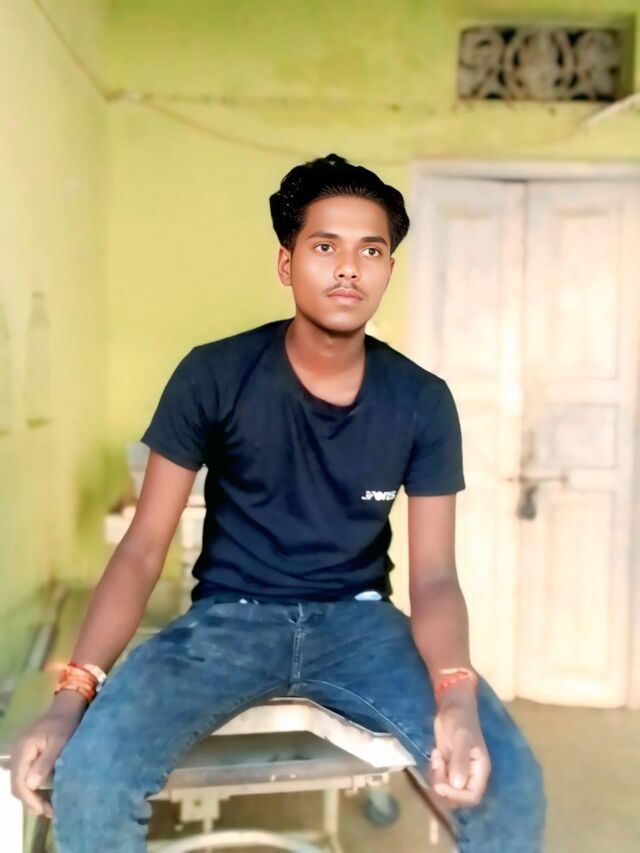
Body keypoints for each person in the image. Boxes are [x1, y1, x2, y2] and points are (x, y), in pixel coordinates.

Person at [10, 153, 545, 851]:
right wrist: (70, 695)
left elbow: (436, 575)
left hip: (362, 626)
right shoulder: (213, 374)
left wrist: (456, 693)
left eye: (370, 250)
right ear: (287, 264)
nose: (349, 268)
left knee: (510, 784)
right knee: (92, 775)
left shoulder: (421, 401)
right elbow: (141, 549)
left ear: (388, 268)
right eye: (325, 247)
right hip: (226, 623)